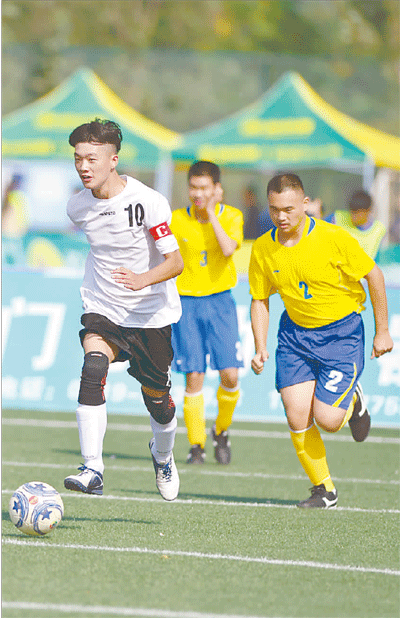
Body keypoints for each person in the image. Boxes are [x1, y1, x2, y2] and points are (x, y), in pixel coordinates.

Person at [249, 173, 393, 508]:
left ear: (305, 204)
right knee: (297, 415)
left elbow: (373, 275)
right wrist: (260, 346)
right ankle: (324, 490)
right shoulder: (264, 247)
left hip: (341, 334)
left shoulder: (333, 237)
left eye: (288, 209)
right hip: (295, 337)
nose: (281, 216)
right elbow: (259, 298)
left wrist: (382, 330)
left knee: (328, 420)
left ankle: (353, 400)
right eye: (274, 209)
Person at [63, 119, 184, 501]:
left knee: (158, 401)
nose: (84, 166)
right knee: (93, 368)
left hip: (151, 314)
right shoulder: (77, 207)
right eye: (78, 158)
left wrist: (142, 279)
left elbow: (176, 262)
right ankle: (92, 468)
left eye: (92, 158)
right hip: (103, 305)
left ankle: (162, 456)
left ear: (113, 160)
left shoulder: (148, 202)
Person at [170, 161, 244, 464]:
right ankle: (196, 445)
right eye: (193, 187)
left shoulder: (232, 216)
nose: (198, 194)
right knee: (194, 376)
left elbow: (227, 249)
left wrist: (212, 214)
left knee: (230, 375)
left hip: (220, 302)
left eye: (204, 188)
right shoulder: (176, 219)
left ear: (217, 189)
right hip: (186, 303)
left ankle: (221, 430)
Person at [325, 189, 386, 259]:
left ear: (368, 211)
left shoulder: (378, 230)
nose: (353, 216)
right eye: (352, 212)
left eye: (357, 213)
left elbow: (376, 259)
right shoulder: (336, 218)